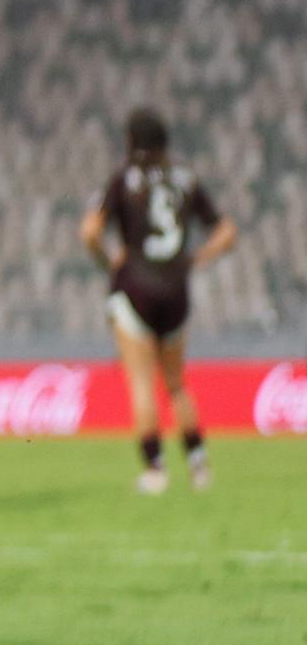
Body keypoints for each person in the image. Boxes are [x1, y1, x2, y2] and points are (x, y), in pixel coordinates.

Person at [83, 109, 239, 493]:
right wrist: (195, 259)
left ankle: (155, 470)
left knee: (141, 383)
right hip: (175, 290)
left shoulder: (125, 179)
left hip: (135, 286)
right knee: (176, 384)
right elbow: (226, 232)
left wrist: (109, 261)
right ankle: (199, 467)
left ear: (130, 141)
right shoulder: (186, 177)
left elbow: (89, 231)